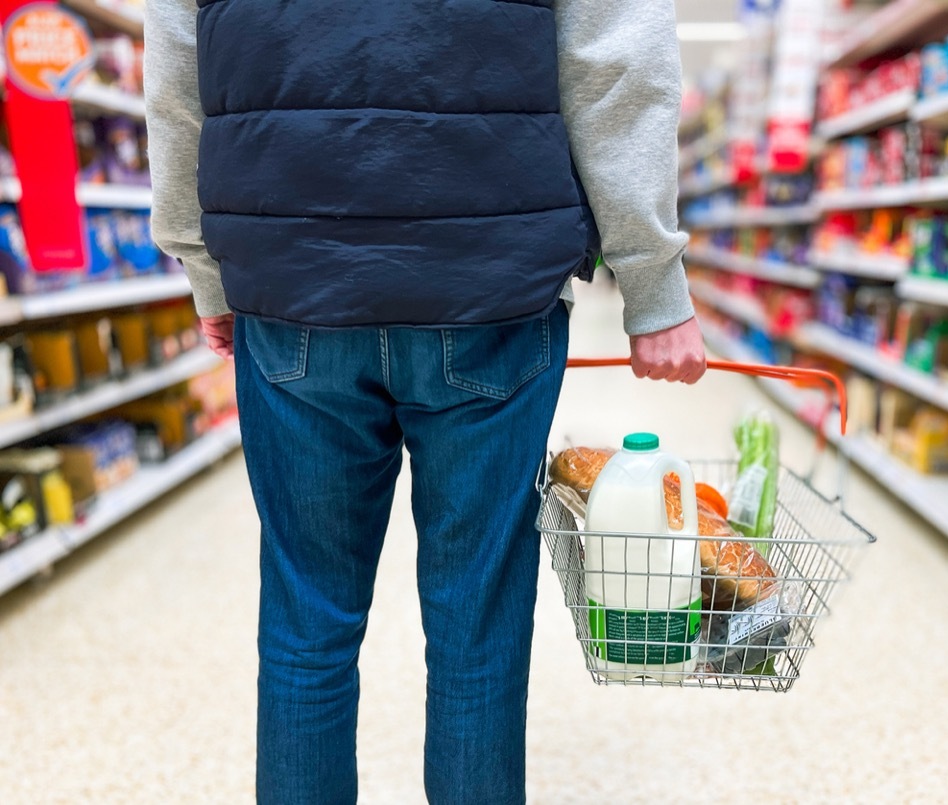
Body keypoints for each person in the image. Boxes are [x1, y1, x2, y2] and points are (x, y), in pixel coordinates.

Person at [144, 1, 705, 802]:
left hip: (294, 285)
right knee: (476, 626)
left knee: (309, 620)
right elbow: (616, 63)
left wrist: (208, 266)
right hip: (490, 286)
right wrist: (652, 282)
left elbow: (175, 77)